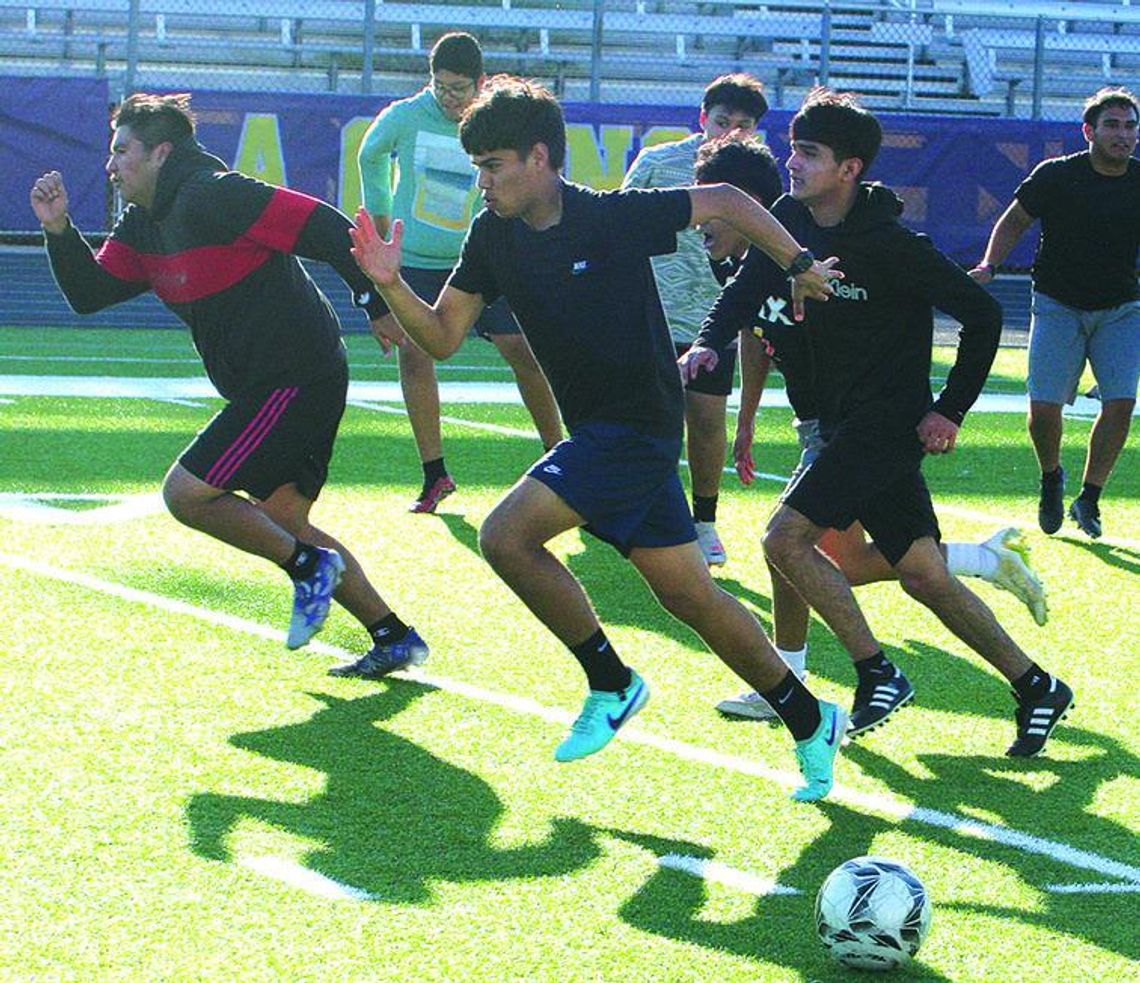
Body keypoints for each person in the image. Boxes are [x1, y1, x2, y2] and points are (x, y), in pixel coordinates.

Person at [351, 76, 848, 802]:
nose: (481, 182)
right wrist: (393, 285)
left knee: (505, 536)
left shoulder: (609, 216)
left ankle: (611, 680)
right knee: (693, 596)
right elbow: (444, 336)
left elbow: (732, 202)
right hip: (604, 434)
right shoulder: (493, 233)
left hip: (639, 426)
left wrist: (799, 265)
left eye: (492, 165)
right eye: (477, 167)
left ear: (540, 158)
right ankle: (812, 717)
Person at [683, 89, 1073, 757]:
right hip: (840, 425)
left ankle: (875, 670)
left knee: (784, 540)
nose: (793, 163)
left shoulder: (893, 244)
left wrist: (948, 409)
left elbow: (980, 316)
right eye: (793, 148)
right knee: (923, 573)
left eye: (809, 153)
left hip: (885, 424)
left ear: (850, 169)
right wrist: (709, 340)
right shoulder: (788, 220)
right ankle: (1038, 684)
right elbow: (745, 289)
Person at [30, 92, 427, 678]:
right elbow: (91, 293)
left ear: (161, 152)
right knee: (284, 521)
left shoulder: (215, 194)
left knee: (187, 494)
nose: (110, 165)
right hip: (274, 381)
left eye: (122, 151)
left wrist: (372, 300)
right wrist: (60, 230)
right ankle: (393, 637)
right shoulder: (144, 224)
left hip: (295, 374)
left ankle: (309, 569)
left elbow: (325, 225)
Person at [358, 32, 562, 514]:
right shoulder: (406, 116)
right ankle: (434, 475)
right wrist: (382, 220)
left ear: (481, 83)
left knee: (523, 351)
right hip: (419, 263)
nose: (449, 98)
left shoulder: (493, 122)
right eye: (441, 86)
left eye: (459, 88)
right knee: (415, 357)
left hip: (484, 259)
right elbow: (370, 155)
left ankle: (558, 456)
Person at [970, 87, 1139, 540]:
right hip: (1058, 303)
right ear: (1089, 131)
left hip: (1122, 307)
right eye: (1112, 125)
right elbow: (1014, 221)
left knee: (1121, 402)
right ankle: (1051, 477)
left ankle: (1090, 497)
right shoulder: (1057, 175)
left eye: (1130, 125)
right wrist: (990, 264)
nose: (1123, 135)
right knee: (1044, 408)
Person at [621, 73, 769, 566]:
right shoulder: (658, 163)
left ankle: (704, 521)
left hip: (715, 318)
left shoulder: (757, 175)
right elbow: (620, 229)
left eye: (742, 125)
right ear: (702, 118)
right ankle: (642, 514)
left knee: (705, 420)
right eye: (722, 121)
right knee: (648, 419)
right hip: (652, 312)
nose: (730, 132)